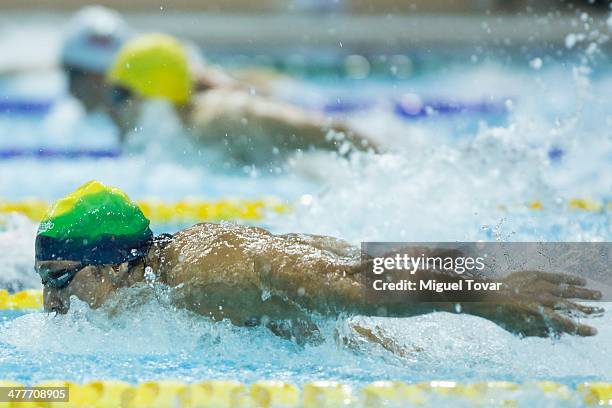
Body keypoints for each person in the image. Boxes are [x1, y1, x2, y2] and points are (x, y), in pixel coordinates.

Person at [36, 181, 602, 348]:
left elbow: (354, 278)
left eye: (60, 279)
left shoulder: (204, 272)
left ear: (112, 266)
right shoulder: (160, 283)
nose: (51, 303)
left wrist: (492, 295)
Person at [105, 34, 378, 164]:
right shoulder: (181, 132)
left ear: (155, 92)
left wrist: (389, 160)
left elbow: (333, 131)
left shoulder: (220, 114)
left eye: (120, 94)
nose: (113, 107)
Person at [60, 6, 131, 112]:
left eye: (102, 79)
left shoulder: (138, 121)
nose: (96, 88)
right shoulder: (59, 120)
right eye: (88, 78)